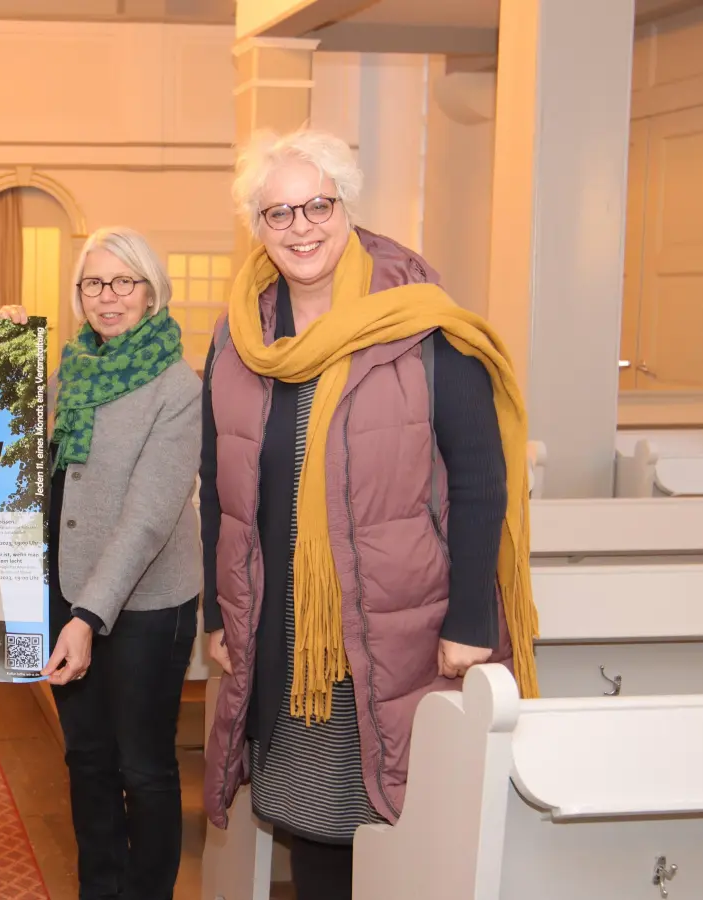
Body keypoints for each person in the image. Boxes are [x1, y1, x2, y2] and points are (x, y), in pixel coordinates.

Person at [199, 129, 538, 900]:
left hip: (399, 620)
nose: (302, 228)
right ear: (257, 227)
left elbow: (481, 480)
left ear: (346, 206)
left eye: (318, 205)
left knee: (401, 829)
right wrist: (219, 616)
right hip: (287, 628)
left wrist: (470, 620)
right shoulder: (239, 334)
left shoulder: (422, 325)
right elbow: (216, 475)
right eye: (278, 213)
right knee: (314, 825)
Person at [0, 226, 202, 900]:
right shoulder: (69, 371)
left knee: (142, 767)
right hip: (66, 587)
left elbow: (146, 520)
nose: (107, 298)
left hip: (145, 605)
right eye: (94, 284)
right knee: (86, 758)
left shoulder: (177, 388)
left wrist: (86, 616)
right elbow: (12, 437)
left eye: (123, 283)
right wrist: (4, 351)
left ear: (152, 293)